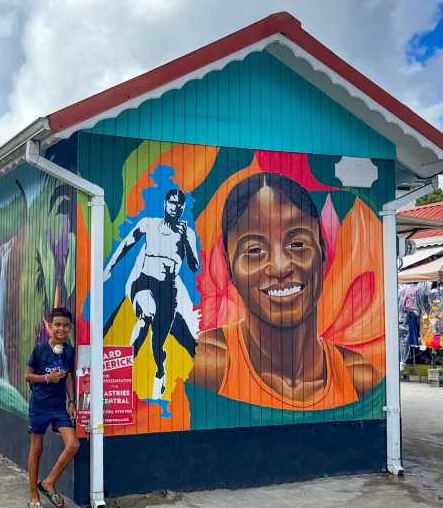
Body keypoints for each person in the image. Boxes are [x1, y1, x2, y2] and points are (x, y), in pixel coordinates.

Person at [189, 172, 382, 409]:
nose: (280, 267)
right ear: (229, 267)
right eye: (254, 250)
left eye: (298, 244)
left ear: (322, 252)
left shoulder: (359, 379)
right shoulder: (204, 367)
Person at [104, 188, 199, 400]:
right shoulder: (149, 224)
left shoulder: (186, 233)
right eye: (172, 202)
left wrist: (185, 241)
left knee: (157, 343)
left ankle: (160, 370)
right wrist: (109, 267)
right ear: (165, 204)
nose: (176, 207)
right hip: (145, 282)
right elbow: (127, 244)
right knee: (146, 315)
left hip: (168, 289)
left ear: (183, 208)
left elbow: (194, 266)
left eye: (180, 204)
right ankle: (124, 370)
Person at [25, 307, 80, 508]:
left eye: (65, 325)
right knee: (36, 448)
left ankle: (48, 483)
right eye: (57, 324)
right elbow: (28, 376)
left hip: (58, 407)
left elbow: (67, 377)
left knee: (73, 444)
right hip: (39, 405)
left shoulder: (69, 351)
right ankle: (33, 495)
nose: (61, 328)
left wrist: (72, 402)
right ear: (50, 326)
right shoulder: (40, 350)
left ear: (70, 327)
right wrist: (47, 378)